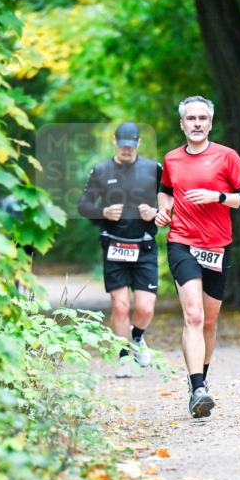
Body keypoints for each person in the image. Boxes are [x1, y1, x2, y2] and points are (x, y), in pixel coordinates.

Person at [155, 96, 240, 417]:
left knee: (210, 322)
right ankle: (197, 386)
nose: (196, 123)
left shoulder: (227, 157)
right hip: (182, 243)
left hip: (217, 247)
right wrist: (163, 209)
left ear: (210, 123)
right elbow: (166, 189)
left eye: (202, 118)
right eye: (191, 118)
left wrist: (219, 196)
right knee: (194, 316)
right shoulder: (171, 159)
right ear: (182, 124)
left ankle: (201, 385)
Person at [78, 122, 162, 378]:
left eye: (131, 145)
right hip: (114, 245)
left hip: (144, 245)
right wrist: (102, 212)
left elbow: (171, 202)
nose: (127, 150)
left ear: (138, 143)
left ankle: (137, 338)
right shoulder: (102, 170)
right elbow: (83, 205)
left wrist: (156, 212)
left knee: (145, 308)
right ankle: (125, 357)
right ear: (115, 142)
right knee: (120, 305)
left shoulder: (153, 169)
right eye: (123, 145)